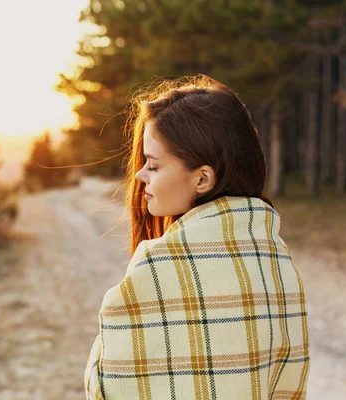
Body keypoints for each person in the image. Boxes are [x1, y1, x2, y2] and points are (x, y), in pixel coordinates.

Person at [84, 74, 310, 399]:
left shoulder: (158, 267)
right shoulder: (279, 263)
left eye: (153, 165)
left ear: (203, 179)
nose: (139, 174)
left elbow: (107, 388)